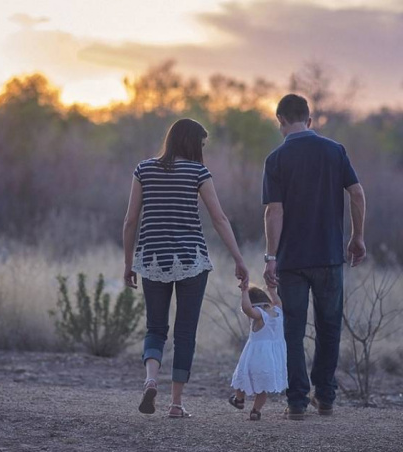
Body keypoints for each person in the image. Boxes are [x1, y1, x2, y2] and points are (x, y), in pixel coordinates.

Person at [123, 118, 250, 418]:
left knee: (155, 327)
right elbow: (219, 219)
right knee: (185, 332)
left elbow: (130, 220)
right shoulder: (198, 172)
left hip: (152, 259)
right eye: (202, 144)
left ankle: (151, 379)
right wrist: (239, 259)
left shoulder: (144, 170)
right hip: (191, 260)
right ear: (192, 143)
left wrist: (129, 263)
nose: (203, 150)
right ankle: (176, 403)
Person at [261, 94, 367, 420]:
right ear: (309, 119)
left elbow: (273, 212)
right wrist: (357, 237)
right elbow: (357, 193)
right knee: (329, 327)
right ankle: (326, 397)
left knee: (293, 331)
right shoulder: (335, 151)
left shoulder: (276, 159)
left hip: (292, 261)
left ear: (280, 121)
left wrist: (270, 257)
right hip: (329, 257)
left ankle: (296, 402)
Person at [228, 285, 287, 421]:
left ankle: (239, 399)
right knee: (263, 388)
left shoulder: (260, 315)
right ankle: (255, 411)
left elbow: (247, 309)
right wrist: (272, 290)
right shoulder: (278, 311)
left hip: (255, 357)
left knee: (242, 377)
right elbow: (278, 301)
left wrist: (244, 292)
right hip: (272, 360)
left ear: (255, 305)